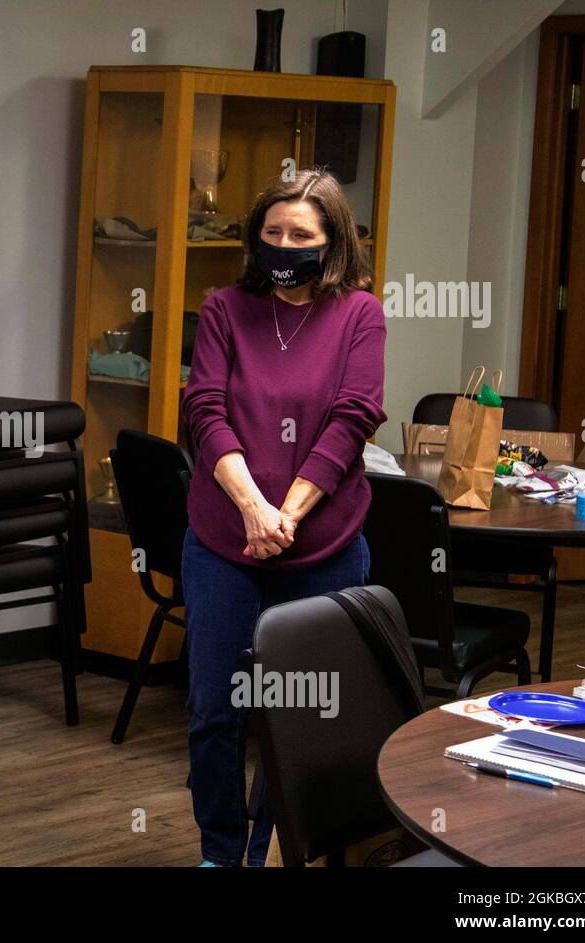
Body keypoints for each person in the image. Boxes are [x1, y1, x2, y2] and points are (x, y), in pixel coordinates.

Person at [180, 168, 387, 867]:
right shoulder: (223, 308)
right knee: (217, 713)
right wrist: (252, 509)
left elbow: (352, 419)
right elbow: (204, 409)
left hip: (321, 546)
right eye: (272, 232)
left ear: (332, 244)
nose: (283, 245)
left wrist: (288, 515)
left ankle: (269, 852)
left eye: (301, 234)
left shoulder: (360, 315)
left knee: (293, 718)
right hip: (222, 540)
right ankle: (219, 853)